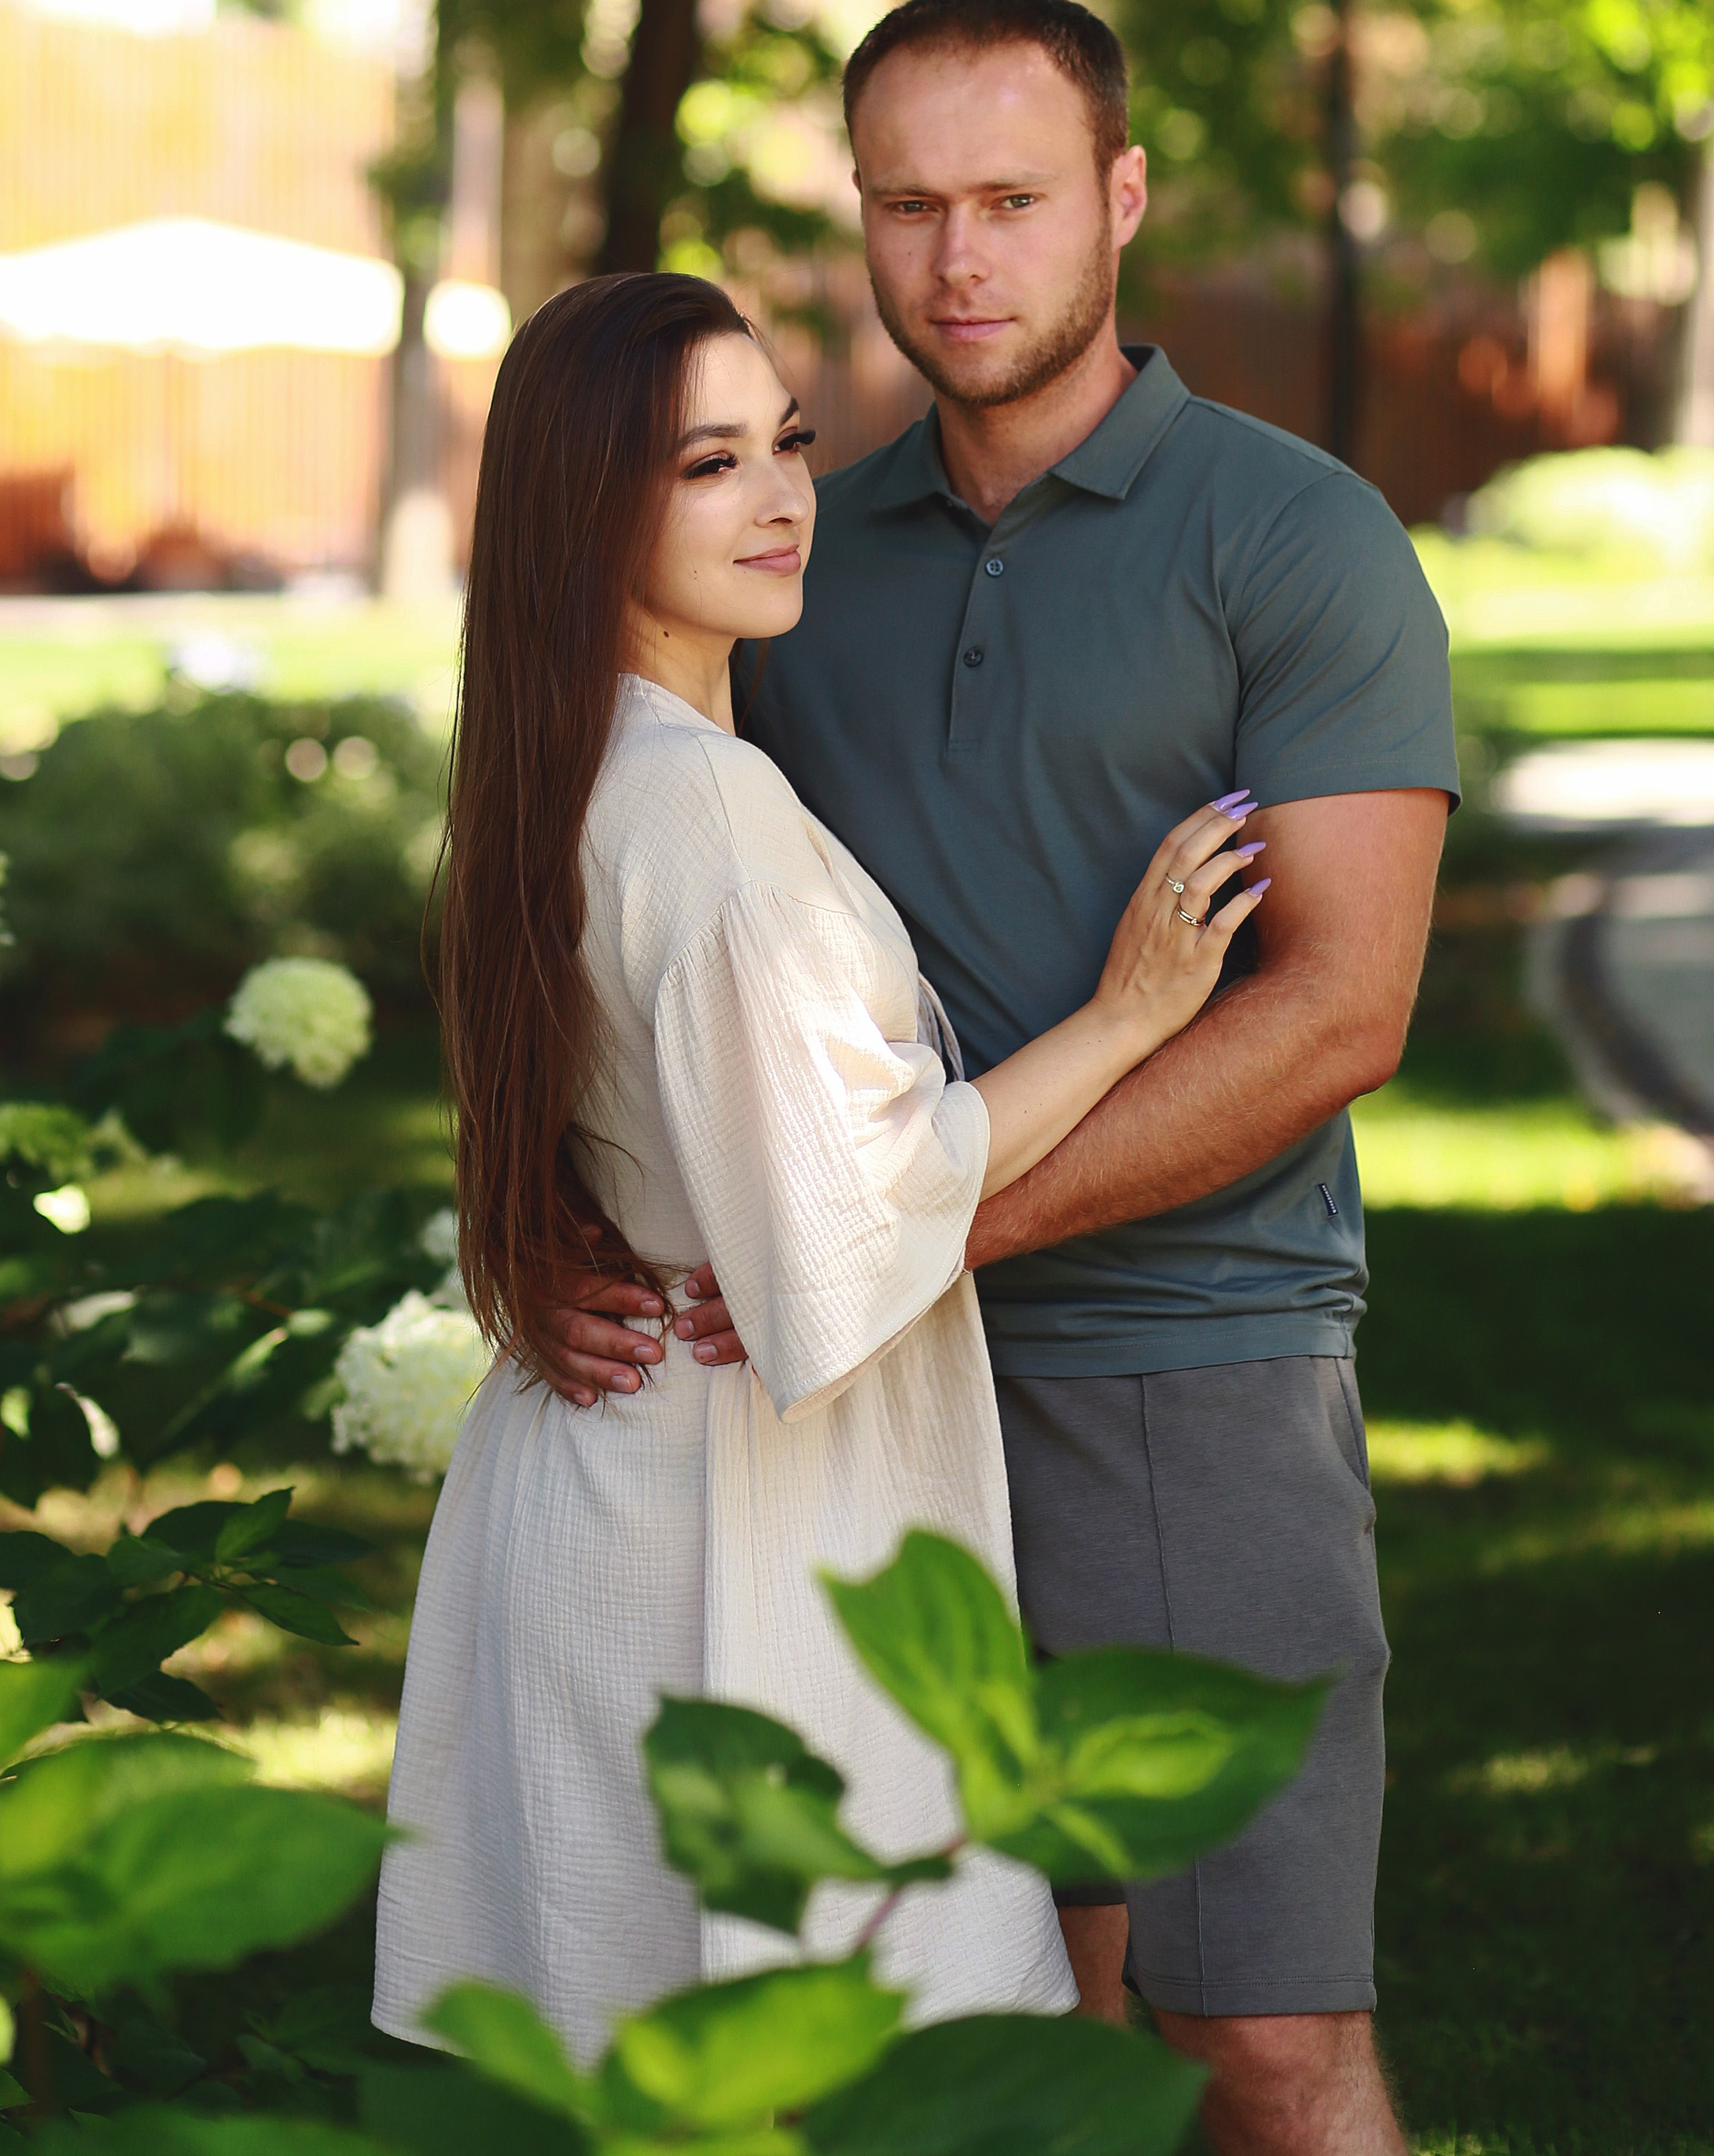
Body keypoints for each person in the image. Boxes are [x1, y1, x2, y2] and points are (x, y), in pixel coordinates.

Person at [539, 0, 1458, 2156]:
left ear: (1123, 200)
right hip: (840, 1417)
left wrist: (894, 1238)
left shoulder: (1293, 540)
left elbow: (1341, 1010)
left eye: (1017, 200)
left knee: (1257, 2035)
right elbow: (628, 911)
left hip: (1179, 1370)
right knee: (970, 2035)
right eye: (910, 205)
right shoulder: (783, 553)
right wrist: (562, 1228)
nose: (962, 260)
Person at [371, 269, 1267, 2066]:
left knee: (626, 2041)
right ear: (587, 507)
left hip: (601, 1465)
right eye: (706, 465)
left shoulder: (567, 765)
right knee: (815, 2046)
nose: (781, 497)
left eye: (785, 444)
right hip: (736, 1498)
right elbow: (842, 1231)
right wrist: (1127, 1014)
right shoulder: (701, 807)